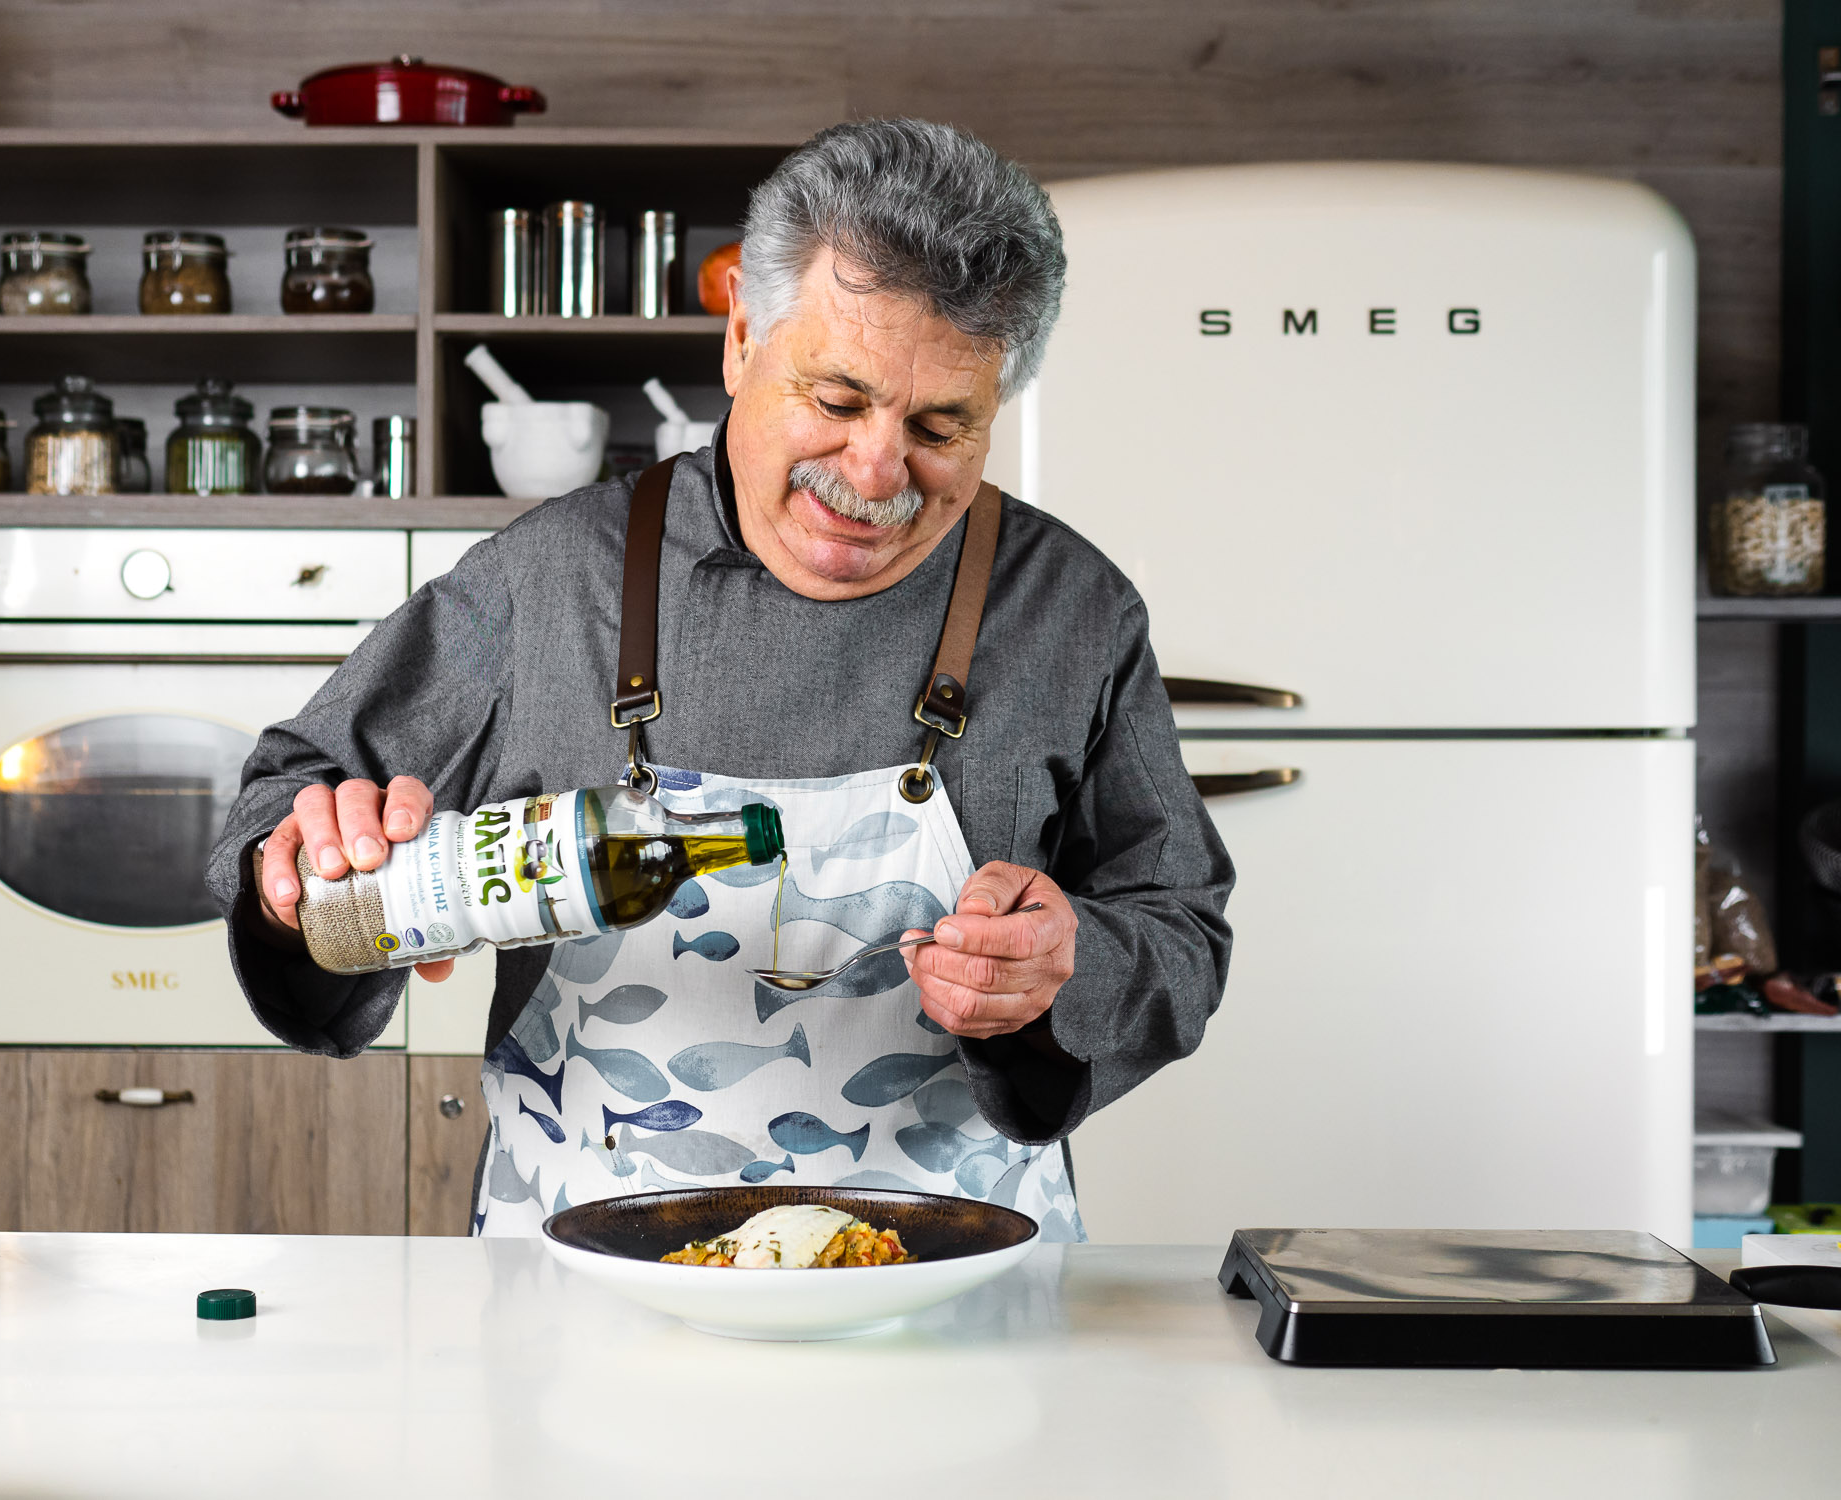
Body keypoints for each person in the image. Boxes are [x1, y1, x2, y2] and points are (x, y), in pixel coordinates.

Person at [208, 118, 1234, 1239]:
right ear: (743, 334)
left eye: (942, 426)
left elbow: (1177, 926)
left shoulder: (1072, 610)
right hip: (585, 1285)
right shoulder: (547, 580)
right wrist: (307, 865)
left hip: (955, 1282)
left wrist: (1068, 968)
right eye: (836, 400)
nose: (876, 473)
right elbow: (285, 803)